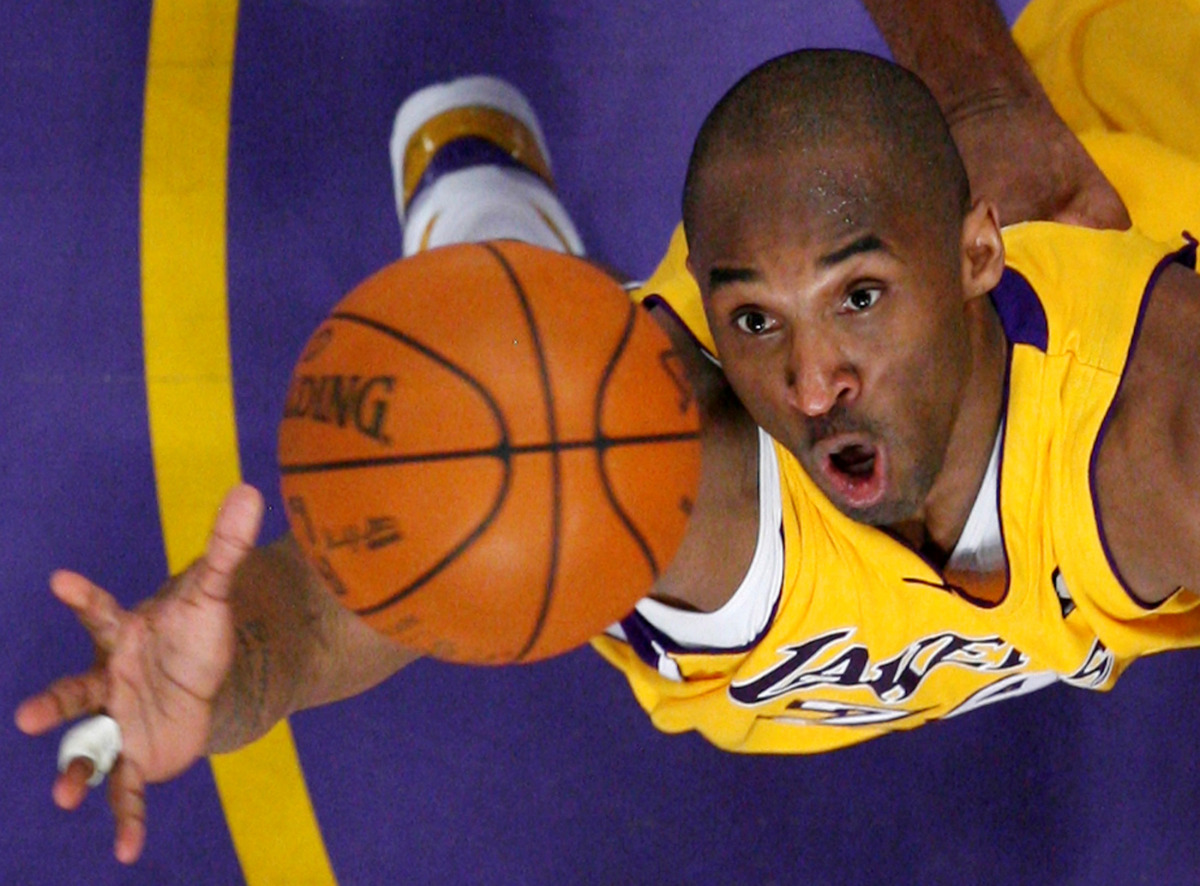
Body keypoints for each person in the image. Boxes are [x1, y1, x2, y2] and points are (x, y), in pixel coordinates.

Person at [13, 0, 1182, 866]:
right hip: (628, 449)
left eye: (862, 298)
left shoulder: (1155, 454)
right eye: (756, 318)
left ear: (978, 257)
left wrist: (985, 104)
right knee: (526, 423)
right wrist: (243, 668)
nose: (814, 379)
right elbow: (375, 579)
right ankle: (491, 225)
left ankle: (500, 236)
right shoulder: (656, 463)